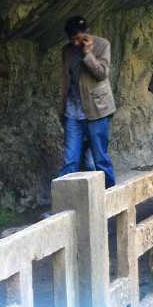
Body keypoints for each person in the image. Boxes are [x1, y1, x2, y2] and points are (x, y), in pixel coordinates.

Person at [58, 16, 116, 188]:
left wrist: (87, 52)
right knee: (70, 160)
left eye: (79, 38)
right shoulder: (66, 50)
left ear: (87, 33)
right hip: (72, 110)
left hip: (96, 109)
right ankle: (63, 205)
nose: (76, 43)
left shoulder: (102, 45)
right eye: (72, 39)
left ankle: (111, 200)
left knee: (101, 159)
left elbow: (102, 74)